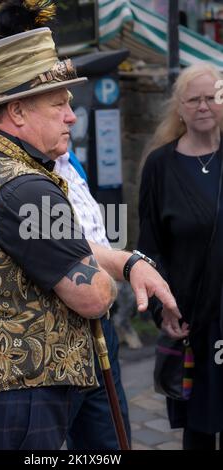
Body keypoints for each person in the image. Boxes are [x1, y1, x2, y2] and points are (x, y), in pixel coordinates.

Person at [0, 1, 180, 450]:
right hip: (14, 399)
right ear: (18, 111)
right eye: (59, 103)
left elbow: (50, 242)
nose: (71, 115)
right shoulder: (22, 185)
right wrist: (110, 273)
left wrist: (128, 260)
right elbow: (93, 297)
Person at [138, 63, 223, 450]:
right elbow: (150, 247)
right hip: (193, 319)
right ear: (180, 108)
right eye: (194, 99)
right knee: (200, 429)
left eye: (213, 98)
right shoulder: (160, 166)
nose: (204, 106)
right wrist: (162, 309)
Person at [54, 151, 131, 449]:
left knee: (110, 435)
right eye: (58, 104)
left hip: (101, 324)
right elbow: (61, 241)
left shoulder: (70, 160)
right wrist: (129, 264)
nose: (71, 117)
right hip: (60, 328)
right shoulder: (23, 171)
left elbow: (90, 237)